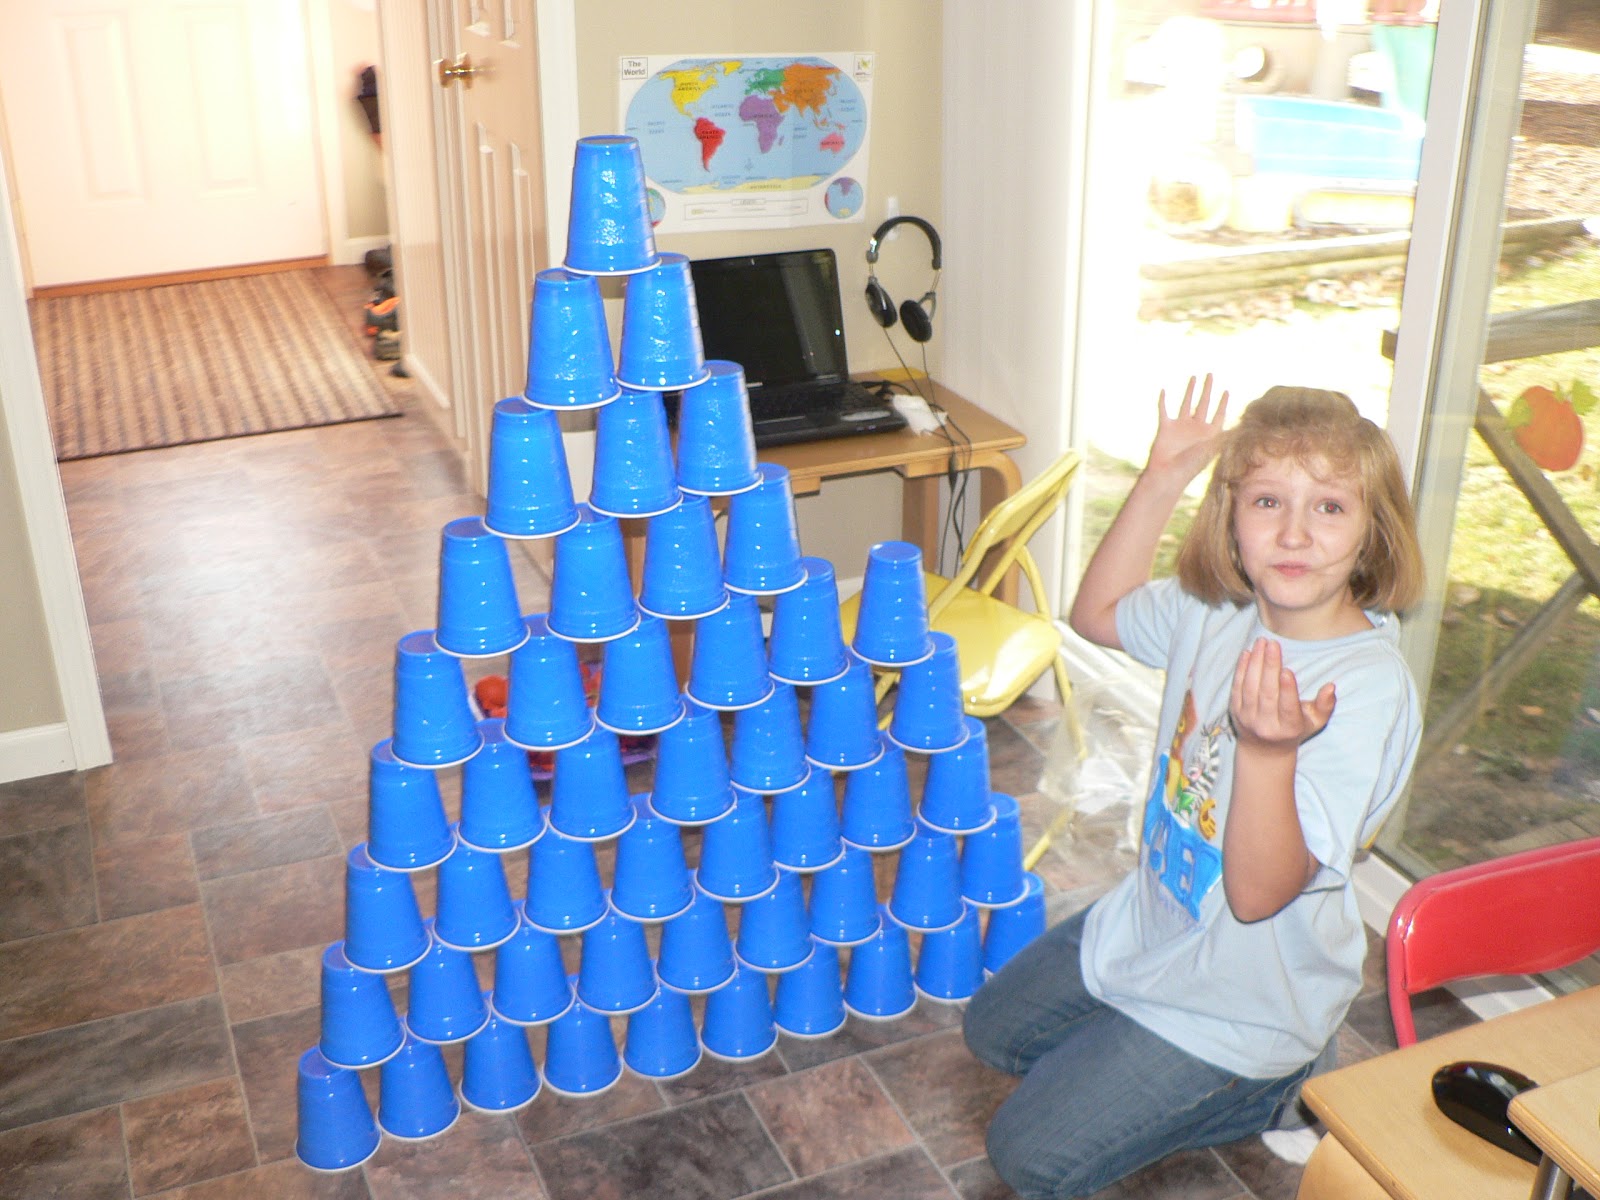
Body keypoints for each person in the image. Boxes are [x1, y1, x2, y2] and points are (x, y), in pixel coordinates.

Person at [963, 377, 1425, 1199]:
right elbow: (1097, 614)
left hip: (1246, 999)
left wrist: (1269, 753)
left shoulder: (1366, 690)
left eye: (1329, 508)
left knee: (1027, 1153)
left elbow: (1255, 896)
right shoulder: (1220, 606)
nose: (1292, 533)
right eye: (1266, 501)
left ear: (1371, 532)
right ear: (1231, 518)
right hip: (1154, 923)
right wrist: (1161, 476)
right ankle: (1158, 1052)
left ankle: (1285, 1083)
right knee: (992, 1033)